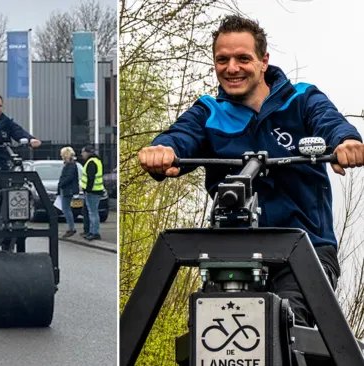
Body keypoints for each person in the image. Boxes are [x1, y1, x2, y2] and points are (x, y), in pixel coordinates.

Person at [138, 15, 364, 328]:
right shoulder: (208, 111)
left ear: (263, 61)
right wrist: (162, 150)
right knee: (208, 335)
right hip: (233, 252)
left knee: (285, 329)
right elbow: (181, 136)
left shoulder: (301, 99)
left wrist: (346, 142)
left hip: (305, 249)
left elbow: (330, 122)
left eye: (243, 58)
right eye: (222, 60)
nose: (232, 69)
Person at [80, 146, 104, 241]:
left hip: (92, 192)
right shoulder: (96, 161)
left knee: (93, 213)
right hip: (96, 191)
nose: (82, 154)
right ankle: (92, 231)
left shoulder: (91, 162)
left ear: (87, 153)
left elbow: (91, 178)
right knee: (92, 213)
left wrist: (87, 190)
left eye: (83, 152)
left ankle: (94, 233)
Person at [57, 146, 79, 238]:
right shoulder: (70, 164)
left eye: (62, 154)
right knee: (65, 208)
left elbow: (68, 177)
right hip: (66, 189)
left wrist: (61, 184)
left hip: (67, 189)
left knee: (66, 209)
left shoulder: (70, 165)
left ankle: (71, 228)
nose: (61, 155)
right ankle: (71, 227)